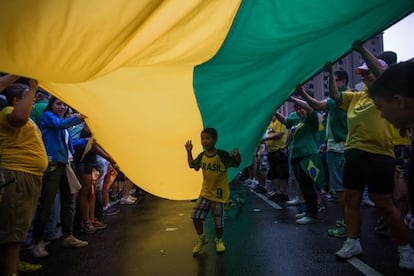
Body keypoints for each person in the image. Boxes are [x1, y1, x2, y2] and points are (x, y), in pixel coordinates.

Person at [331, 41, 414, 271]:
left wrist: (360, 49)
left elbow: (380, 74)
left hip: (380, 155)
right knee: (351, 200)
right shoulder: (356, 97)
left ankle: (404, 247)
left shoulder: (387, 90)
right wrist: (328, 70)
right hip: (354, 154)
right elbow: (334, 98)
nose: (365, 76)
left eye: (368, 72)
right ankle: (352, 241)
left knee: (386, 205)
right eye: (363, 74)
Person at [0, 79, 48, 276]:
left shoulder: (24, 116)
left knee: (19, 224)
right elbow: (18, 118)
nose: (34, 102)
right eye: (29, 97)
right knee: (12, 229)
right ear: (16, 100)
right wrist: (34, 86)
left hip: (27, 176)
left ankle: (15, 263)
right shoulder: (7, 112)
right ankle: (10, 271)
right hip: (17, 175)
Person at [31, 96, 88, 258]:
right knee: (47, 205)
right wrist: (78, 117)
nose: (62, 107)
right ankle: (37, 242)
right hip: (53, 166)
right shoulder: (49, 117)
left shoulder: (65, 126)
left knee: (69, 202)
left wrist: (88, 140)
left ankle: (68, 236)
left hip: (66, 166)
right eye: (58, 104)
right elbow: (59, 124)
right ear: (51, 105)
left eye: (64, 104)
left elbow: (70, 146)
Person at [296, 69, 349, 237]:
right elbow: (318, 106)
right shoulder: (335, 101)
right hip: (333, 148)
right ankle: (347, 223)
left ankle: (349, 226)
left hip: (340, 148)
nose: (328, 84)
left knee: (342, 190)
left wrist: (302, 94)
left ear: (342, 81)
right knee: (339, 189)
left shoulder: (345, 96)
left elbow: (315, 107)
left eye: (332, 80)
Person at [185, 127, 241, 255]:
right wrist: (189, 151)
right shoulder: (202, 156)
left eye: (207, 138)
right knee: (195, 215)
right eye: (202, 139)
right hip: (205, 193)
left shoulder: (222, 155)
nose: (204, 141)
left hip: (219, 194)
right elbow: (192, 165)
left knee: (218, 220)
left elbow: (236, 163)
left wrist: (236, 155)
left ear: (215, 140)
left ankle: (219, 240)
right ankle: (202, 238)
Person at [275, 94, 324, 225]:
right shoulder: (298, 120)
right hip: (297, 156)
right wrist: (274, 111)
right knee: (303, 185)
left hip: (308, 155)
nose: (298, 110)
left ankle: (312, 214)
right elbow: (284, 121)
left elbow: (309, 108)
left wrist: (295, 98)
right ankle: (308, 210)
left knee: (308, 186)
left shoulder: (312, 118)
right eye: (296, 108)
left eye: (300, 108)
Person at [261, 110, 290, 202]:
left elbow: (279, 135)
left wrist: (265, 139)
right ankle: (278, 192)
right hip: (271, 151)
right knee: (274, 173)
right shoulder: (270, 124)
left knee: (282, 173)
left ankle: (283, 193)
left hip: (279, 150)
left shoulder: (280, 121)